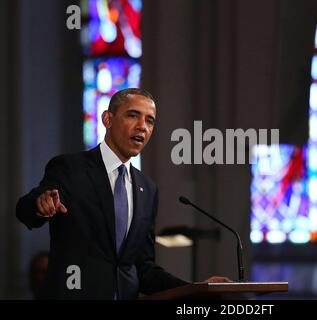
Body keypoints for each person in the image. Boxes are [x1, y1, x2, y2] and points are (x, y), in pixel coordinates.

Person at [16, 88, 229, 299]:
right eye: (133, 115)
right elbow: (24, 210)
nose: (142, 127)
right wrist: (40, 205)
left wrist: (196, 289)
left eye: (150, 120)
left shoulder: (148, 189)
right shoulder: (71, 169)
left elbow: (144, 269)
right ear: (108, 119)